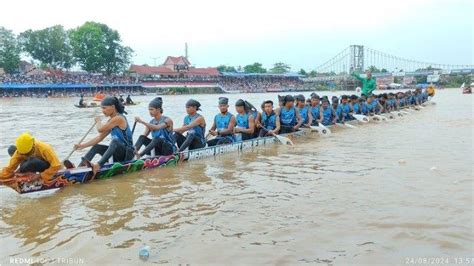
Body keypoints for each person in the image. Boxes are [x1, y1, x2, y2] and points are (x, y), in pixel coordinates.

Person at [72, 96, 135, 174]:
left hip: (127, 154)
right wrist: (82, 145)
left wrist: (98, 121)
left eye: (104, 108)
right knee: (96, 147)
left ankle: (98, 165)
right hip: (117, 153)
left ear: (113, 107)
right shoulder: (111, 121)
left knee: (114, 141)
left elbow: (100, 129)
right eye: (102, 108)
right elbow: (100, 137)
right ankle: (80, 167)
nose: (103, 111)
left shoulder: (119, 118)